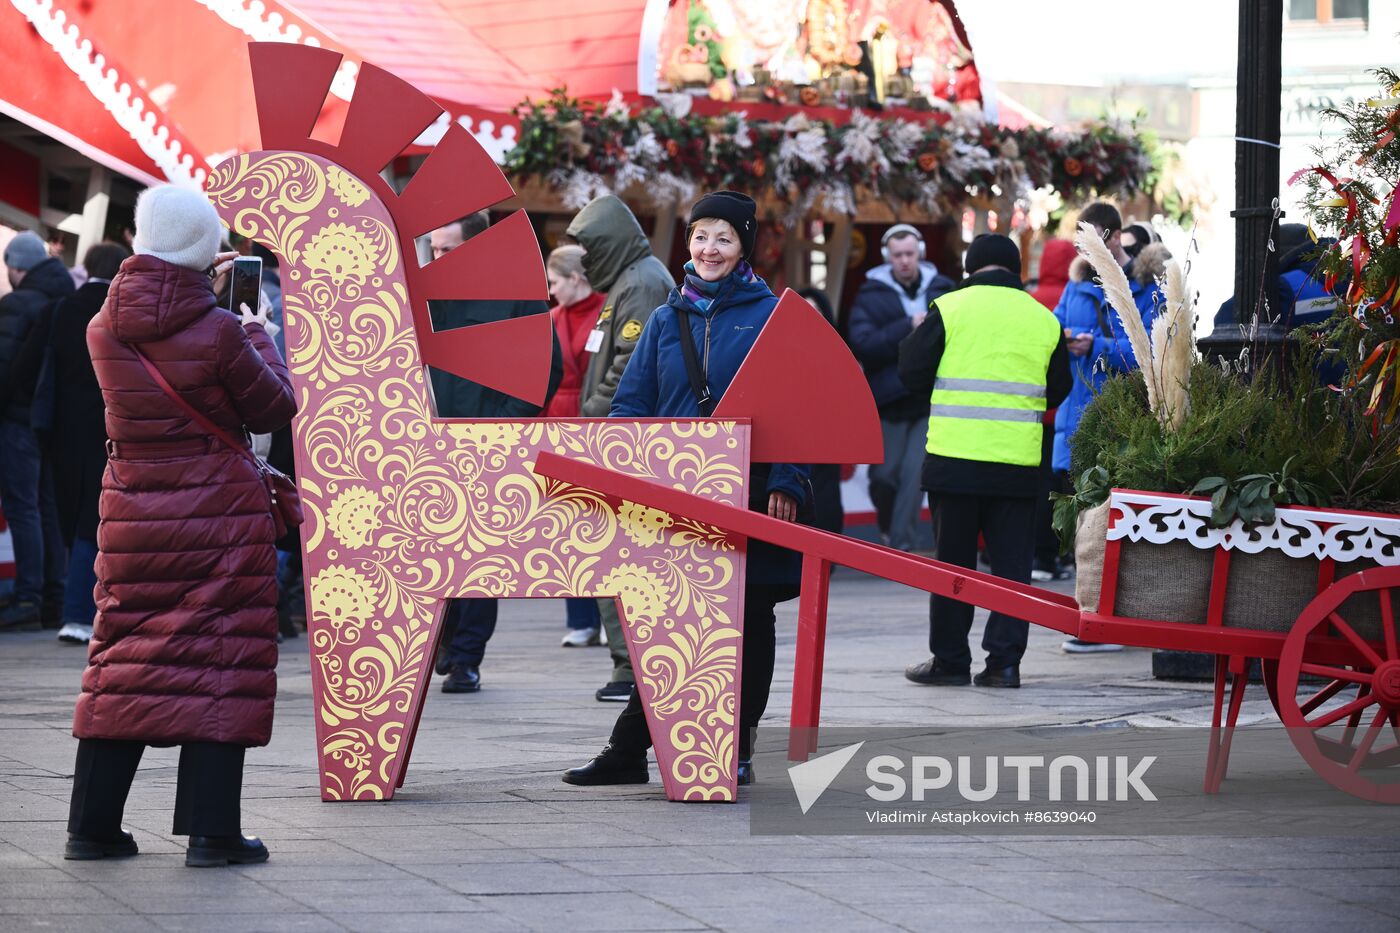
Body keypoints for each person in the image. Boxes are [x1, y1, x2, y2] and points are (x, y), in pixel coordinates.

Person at [67, 184, 296, 866]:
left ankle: (92, 827)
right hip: (218, 515)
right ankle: (211, 831)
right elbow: (272, 408)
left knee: (121, 660)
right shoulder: (223, 331)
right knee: (220, 660)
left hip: (132, 512)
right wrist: (258, 328)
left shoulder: (102, 324)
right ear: (204, 248)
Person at [563, 191, 809, 787]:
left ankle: (738, 741)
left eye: (723, 238)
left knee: (748, 620)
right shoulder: (664, 318)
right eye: (700, 237)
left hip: (751, 490)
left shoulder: (772, 316)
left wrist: (787, 480)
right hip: (675, 496)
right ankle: (629, 750)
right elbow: (631, 404)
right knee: (666, 619)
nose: (709, 249)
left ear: (743, 245)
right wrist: (627, 464)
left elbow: (798, 407)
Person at [898, 234, 1071, 689]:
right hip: (1017, 463)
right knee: (1012, 568)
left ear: (971, 267)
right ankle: (1004, 664)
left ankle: (951, 660)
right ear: (1015, 270)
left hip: (954, 460)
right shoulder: (1042, 318)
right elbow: (1058, 387)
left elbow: (911, 371)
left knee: (953, 565)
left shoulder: (951, 308)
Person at [427, 212, 560, 694]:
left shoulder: (513, 294)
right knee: (432, 549)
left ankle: (465, 658)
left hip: (488, 442)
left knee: (477, 554)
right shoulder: (425, 296)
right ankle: (440, 639)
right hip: (430, 440)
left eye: (448, 249)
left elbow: (546, 365)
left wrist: (505, 422)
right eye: (435, 250)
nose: (439, 259)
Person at [565, 194, 675, 702]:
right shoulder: (631, 281)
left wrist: (593, 418)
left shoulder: (643, 283)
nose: (584, 258)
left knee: (621, 560)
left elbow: (630, 362)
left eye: (589, 246)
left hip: (620, 439)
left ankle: (631, 669)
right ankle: (625, 665)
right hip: (613, 434)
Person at [1052, 203, 1166, 653]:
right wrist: (1064, 340)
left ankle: (1107, 617)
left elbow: (1152, 350)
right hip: (1078, 413)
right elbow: (1055, 330)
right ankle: (1092, 613)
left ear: (1116, 236)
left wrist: (1095, 345)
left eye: (1096, 237)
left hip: (1125, 417)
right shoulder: (1076, 283)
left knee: (1113, 517)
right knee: (1085, 517)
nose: (1089, 247)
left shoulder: (1143, 283)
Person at [848, 224, 955, 552]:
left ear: (919, 253)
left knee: (913, 476)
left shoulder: (944, 289)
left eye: (909, 254)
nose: (905, 260)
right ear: (887, 257)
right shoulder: (870, 294)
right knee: (884, 477)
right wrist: (906, 326)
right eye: (898, 255)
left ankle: (900, 549)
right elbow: (863, 343)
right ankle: (888, 529)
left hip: (928, 399)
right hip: (889, 401)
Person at [49, 242, 130, 644]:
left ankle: (74, 612)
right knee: (112, 523)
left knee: (78, 521)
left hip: (68, 432)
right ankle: (99, 612)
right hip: (117, 426)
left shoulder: (64, 308)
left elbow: (43, 369)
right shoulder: (124, 312)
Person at [0, 230, 75, 631]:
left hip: (17, 421)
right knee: (45, 506)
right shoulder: (62, 298)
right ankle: (52, 596)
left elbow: (5, 366)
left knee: (21, 506)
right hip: (49, 422)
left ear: (17, 267)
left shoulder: (17, 304)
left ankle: (27, 595)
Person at [543, 244, 609, 647]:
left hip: (592, 417)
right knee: (567, 524)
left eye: (555, 282)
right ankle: (580, 618)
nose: (551, 292)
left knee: (602, 522)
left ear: (576, 278)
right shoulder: (551, 318)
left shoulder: (608, 312)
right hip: (556, 420)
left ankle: (607, 618)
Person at [1029, 238, 1076, 583]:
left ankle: (1040, 557)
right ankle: (1064, 554)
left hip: (1033, 407)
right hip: (1069, 405)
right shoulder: (1075, 297)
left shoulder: (1030, 301)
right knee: (1067, 486)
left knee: (1039, 485)